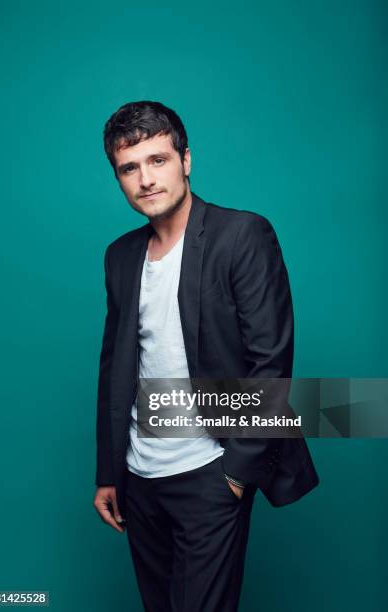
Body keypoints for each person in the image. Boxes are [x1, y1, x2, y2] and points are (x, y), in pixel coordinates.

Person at [93, 100, 319, 612]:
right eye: (130, 168)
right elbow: (116, 368)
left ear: (185, 161)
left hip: (210, 470)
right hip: (138, 478)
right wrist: (109, 471)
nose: (146, 179)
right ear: (119, 178)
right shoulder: (120, 256)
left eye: (159, 160)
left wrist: (235, 473)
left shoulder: (242, 235)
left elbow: (271, 363)